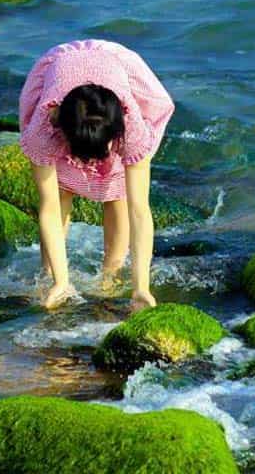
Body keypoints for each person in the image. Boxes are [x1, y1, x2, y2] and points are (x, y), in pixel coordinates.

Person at [18, 39, 175, 311]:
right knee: (61, 191)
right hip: (62, 72)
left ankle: (110, 275)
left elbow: (139, 210)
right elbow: (49, 209)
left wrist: (141, 287)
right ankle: (51, 275)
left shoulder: (132, 128)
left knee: (117, 193)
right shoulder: (45, 130)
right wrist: (61, 281)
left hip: (112, 72)